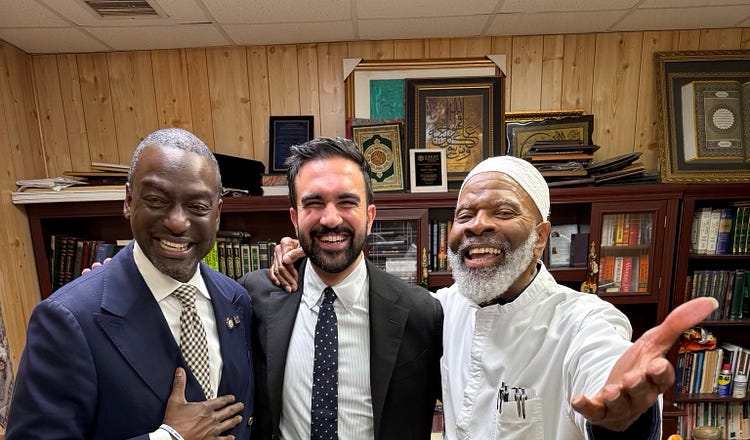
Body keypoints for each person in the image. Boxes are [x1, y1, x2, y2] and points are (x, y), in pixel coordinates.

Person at [270, 155, 717, 439]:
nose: (478, 225)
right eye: (465, 214)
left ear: (541, 236)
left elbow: (604, 369)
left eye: (503, 211)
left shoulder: (583, 320)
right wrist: (310, 250)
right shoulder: (441, 309)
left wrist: (621, 414)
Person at [7, 128, 254, 440]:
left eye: (198, 206)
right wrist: (168, 437)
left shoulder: (236, 300)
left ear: (217, 214)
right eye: (156, 200)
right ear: (128, 201)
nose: (177, 222)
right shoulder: (67, 320)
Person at [238, 137, 443, 439]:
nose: (331, 219)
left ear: (369, 218)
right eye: (314, 203)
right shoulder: (255, 297)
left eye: (347, 202)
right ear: (295, 218)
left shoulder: (422, 312)